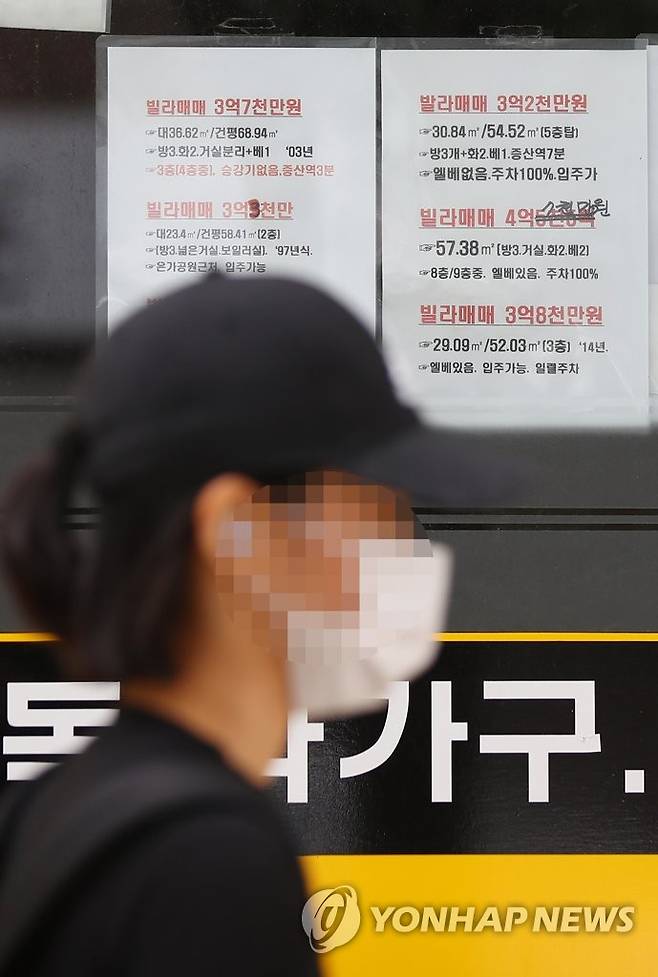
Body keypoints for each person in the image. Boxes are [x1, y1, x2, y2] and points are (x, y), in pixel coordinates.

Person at [0, 274, 508, 976]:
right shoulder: (208, 865)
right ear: (238, 529)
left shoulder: (54, 813)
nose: (407, 549)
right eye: (382, 510)